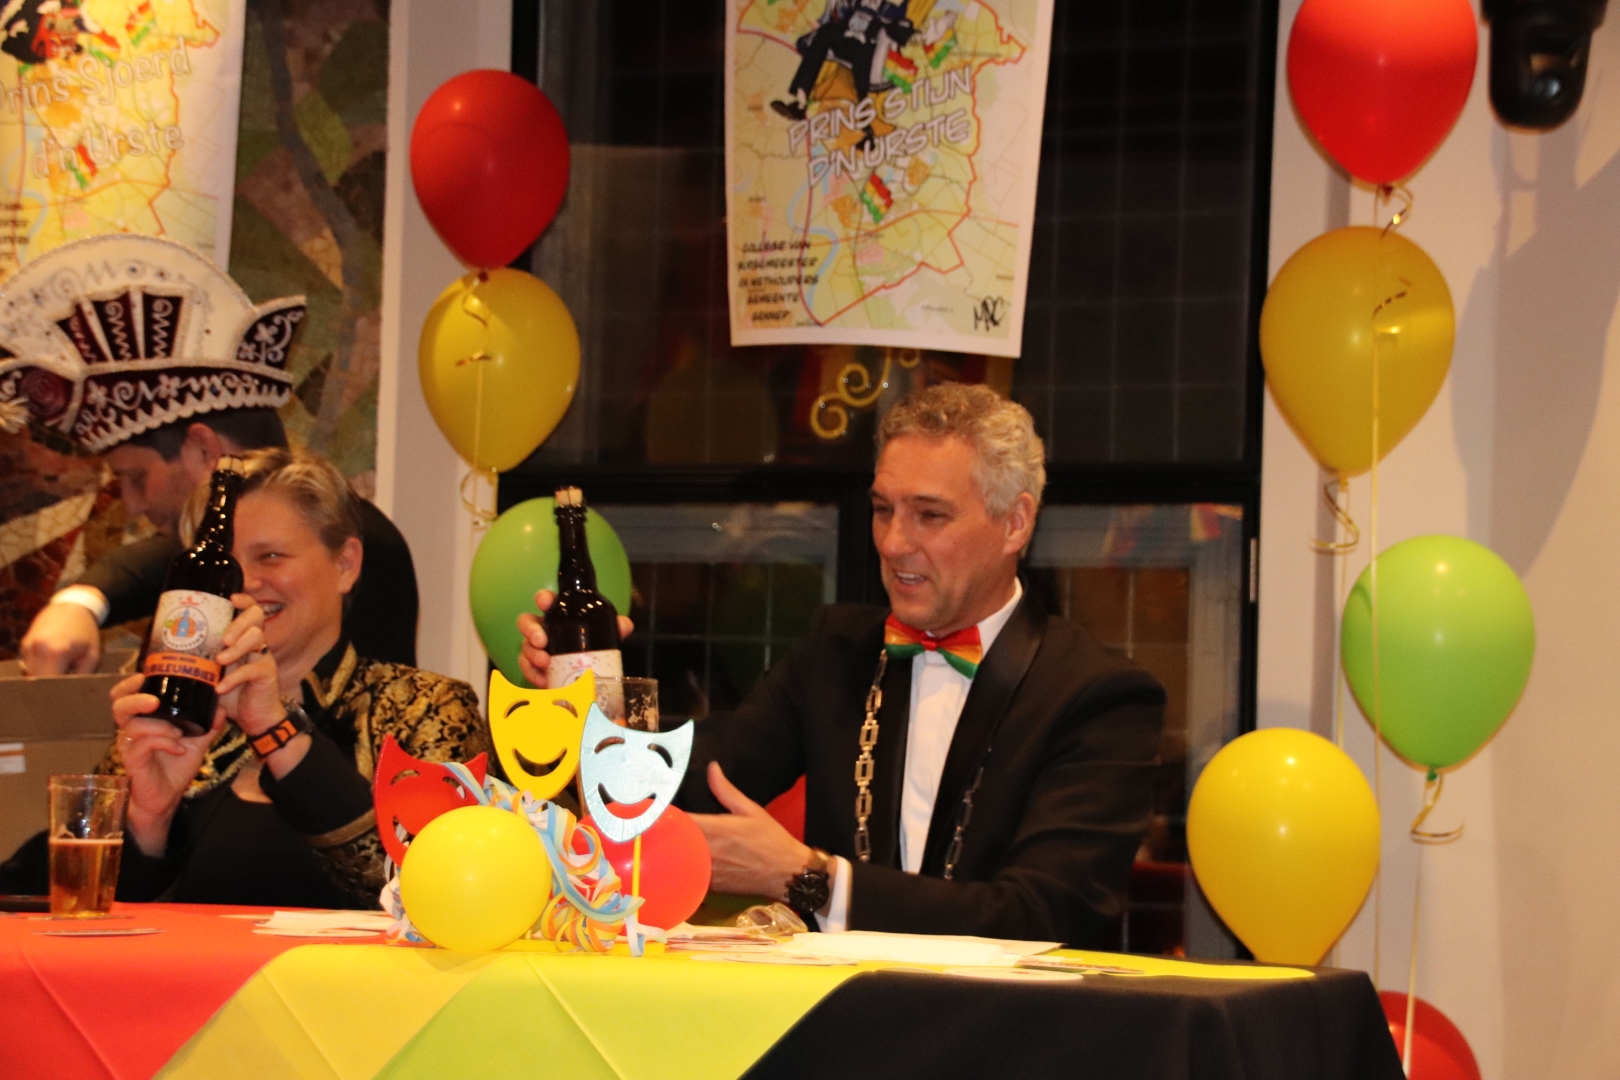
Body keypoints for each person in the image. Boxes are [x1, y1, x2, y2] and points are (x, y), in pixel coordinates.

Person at [517, 383, 1165, 946]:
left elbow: (1045, 915)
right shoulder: (838, 651)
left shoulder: (1098, 695)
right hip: (840, 1023)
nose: (893, 542)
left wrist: (811, 879)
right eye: (883, 510)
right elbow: (684, 782)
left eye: (929, 515)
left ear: (1015, 523)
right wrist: (583, 709)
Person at [4, 236, 419, 674]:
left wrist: (80, 603)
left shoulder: (358, 537)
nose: (133, 505)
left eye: (137, 477)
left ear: (203, 451)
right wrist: (78, 603)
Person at [103, 447, 486, 907]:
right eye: (225, 563)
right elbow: (82, 911)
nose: (245, 583)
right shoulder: (171, 712)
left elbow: (435, 890)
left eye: (270, 556)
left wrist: (276, 728)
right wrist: (149, 819)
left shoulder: (424, 707)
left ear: (346, 565)